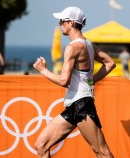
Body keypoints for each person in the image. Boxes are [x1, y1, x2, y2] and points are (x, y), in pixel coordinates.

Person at [33, 6, 115, 158]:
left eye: (62, 21)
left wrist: (43, 70)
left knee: (102, 153)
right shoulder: (88, 44)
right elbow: (110, 63)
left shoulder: (73, 47)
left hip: (82, 105)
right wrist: (91, 81)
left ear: (71, 23)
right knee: (41, 145)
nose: (60, 24)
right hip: (74, 105)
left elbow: (64, 80)